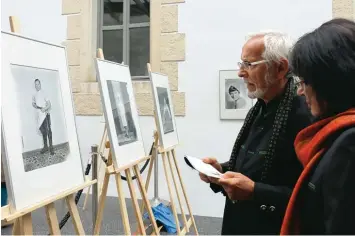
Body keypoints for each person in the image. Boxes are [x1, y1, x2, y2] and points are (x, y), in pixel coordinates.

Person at [199, 31, 313, 234]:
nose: (241, 73)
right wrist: (221, 171)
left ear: (280, 68)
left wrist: (256, 192)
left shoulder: (304, 115)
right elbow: (257, 169)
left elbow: (314, 196)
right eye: (241, 64)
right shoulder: (259, 108)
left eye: (249, 65)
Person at [280, 18, 355, 235]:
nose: (300, 91)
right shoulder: (338, 132)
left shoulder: (349, 143)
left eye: (304, 82)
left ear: (329, 81)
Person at [32, 79, 54, 155]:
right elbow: (34, 104)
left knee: (48, 131)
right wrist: (34, 105)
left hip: (45, 115)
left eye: (38, 84)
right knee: (43, 131)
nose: (37, 86)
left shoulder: (44, 93)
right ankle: (45, 147)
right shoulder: (34, 95)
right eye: (35, 84)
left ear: (40, 84)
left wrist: (44, 109)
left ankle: (51, 148)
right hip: (39, 116)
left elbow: (49, 104)